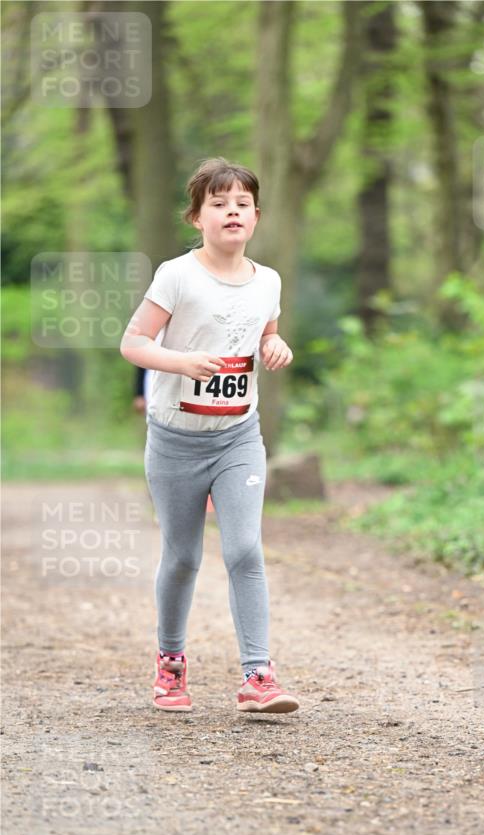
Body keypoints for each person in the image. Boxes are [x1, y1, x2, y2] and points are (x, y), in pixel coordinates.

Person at [120, 157, 299, 715]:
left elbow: (265, 335)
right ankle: (171, 664)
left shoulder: (268, 281)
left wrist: (275, 345)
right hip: (176, 439)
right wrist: (180, 362)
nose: (232, 212)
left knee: (245, 549)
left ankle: (258, 676)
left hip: (238, 436)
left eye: (242, 204)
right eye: (219, 204)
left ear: (256, 217)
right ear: (197, 218)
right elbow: (133, 343)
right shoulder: (177, 275)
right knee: (182, 558)